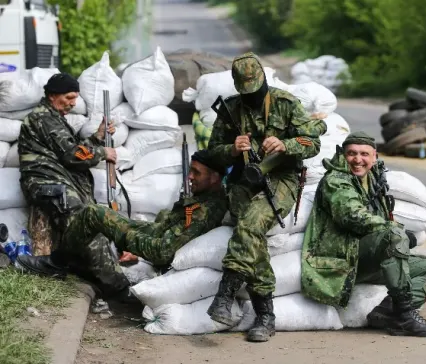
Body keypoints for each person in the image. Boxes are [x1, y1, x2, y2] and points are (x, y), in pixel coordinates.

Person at [204, 52, 327, 343]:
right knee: (251, 233)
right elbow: (212, 153)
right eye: (246, 92)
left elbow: (312, 143)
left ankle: (226, 294)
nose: (253, 97)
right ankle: (265, 315)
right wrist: (232, 150)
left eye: (256, 90)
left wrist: (285, 145)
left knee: (251, 222)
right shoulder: (230, 109)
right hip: (245, 179)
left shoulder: (285, 103)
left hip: (281, 178)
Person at [300, 131, 426, 337]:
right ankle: (405, 315)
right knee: (392, 235)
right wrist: (400, 233)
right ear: (344, 155)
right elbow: (352, 215)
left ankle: (388, 313)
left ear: (374, 157)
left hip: (372, 256)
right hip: (342, 258)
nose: (358, 160)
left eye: (364, 154)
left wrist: (397, 232)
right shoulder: (336, 181)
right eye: (351, 153)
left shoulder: (375, 180)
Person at [17, 150, 230, 286]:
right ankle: (69, 261)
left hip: (158, 246)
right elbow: (164, 229)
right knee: (94, 212)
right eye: (189, 171)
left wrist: (122, 237)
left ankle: (58, 263)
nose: (189, 177)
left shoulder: (205, 209)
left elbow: (163, 251)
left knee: (96, 214)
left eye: (196, 173)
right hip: (156, 235)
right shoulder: (203, 198)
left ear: (215, 177)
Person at [16, 73, 131, 295]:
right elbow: (72, 155)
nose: (73, 103)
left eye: (75, 98)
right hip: (47, 184)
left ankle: (71, 266)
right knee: (83, 223)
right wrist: (102, 152)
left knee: (90, 223)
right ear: (52, 96)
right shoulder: (43, 118)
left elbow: (74, 150)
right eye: (68, 97)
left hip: (58, 183)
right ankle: (119, 288)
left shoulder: (54, 118)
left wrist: (97, 138)